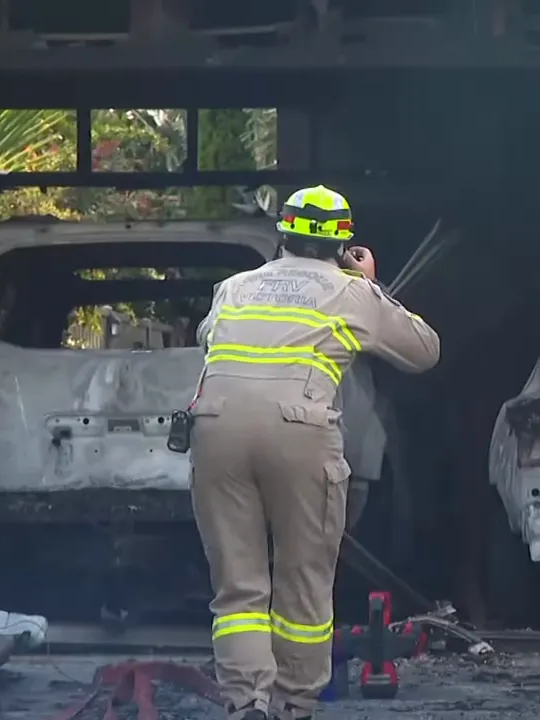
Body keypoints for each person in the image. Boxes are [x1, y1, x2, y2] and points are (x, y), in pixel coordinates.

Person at [189, 185, 440, 719]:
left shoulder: (233, 287)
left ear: (282, 232)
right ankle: (292, 704)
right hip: (299, 432)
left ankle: (245, 701)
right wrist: (369, 284)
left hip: (215, 430)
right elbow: (424, 350)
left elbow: (207, 339)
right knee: (303, 579)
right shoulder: (351, 291)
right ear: (343, 244)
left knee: (238, 587)